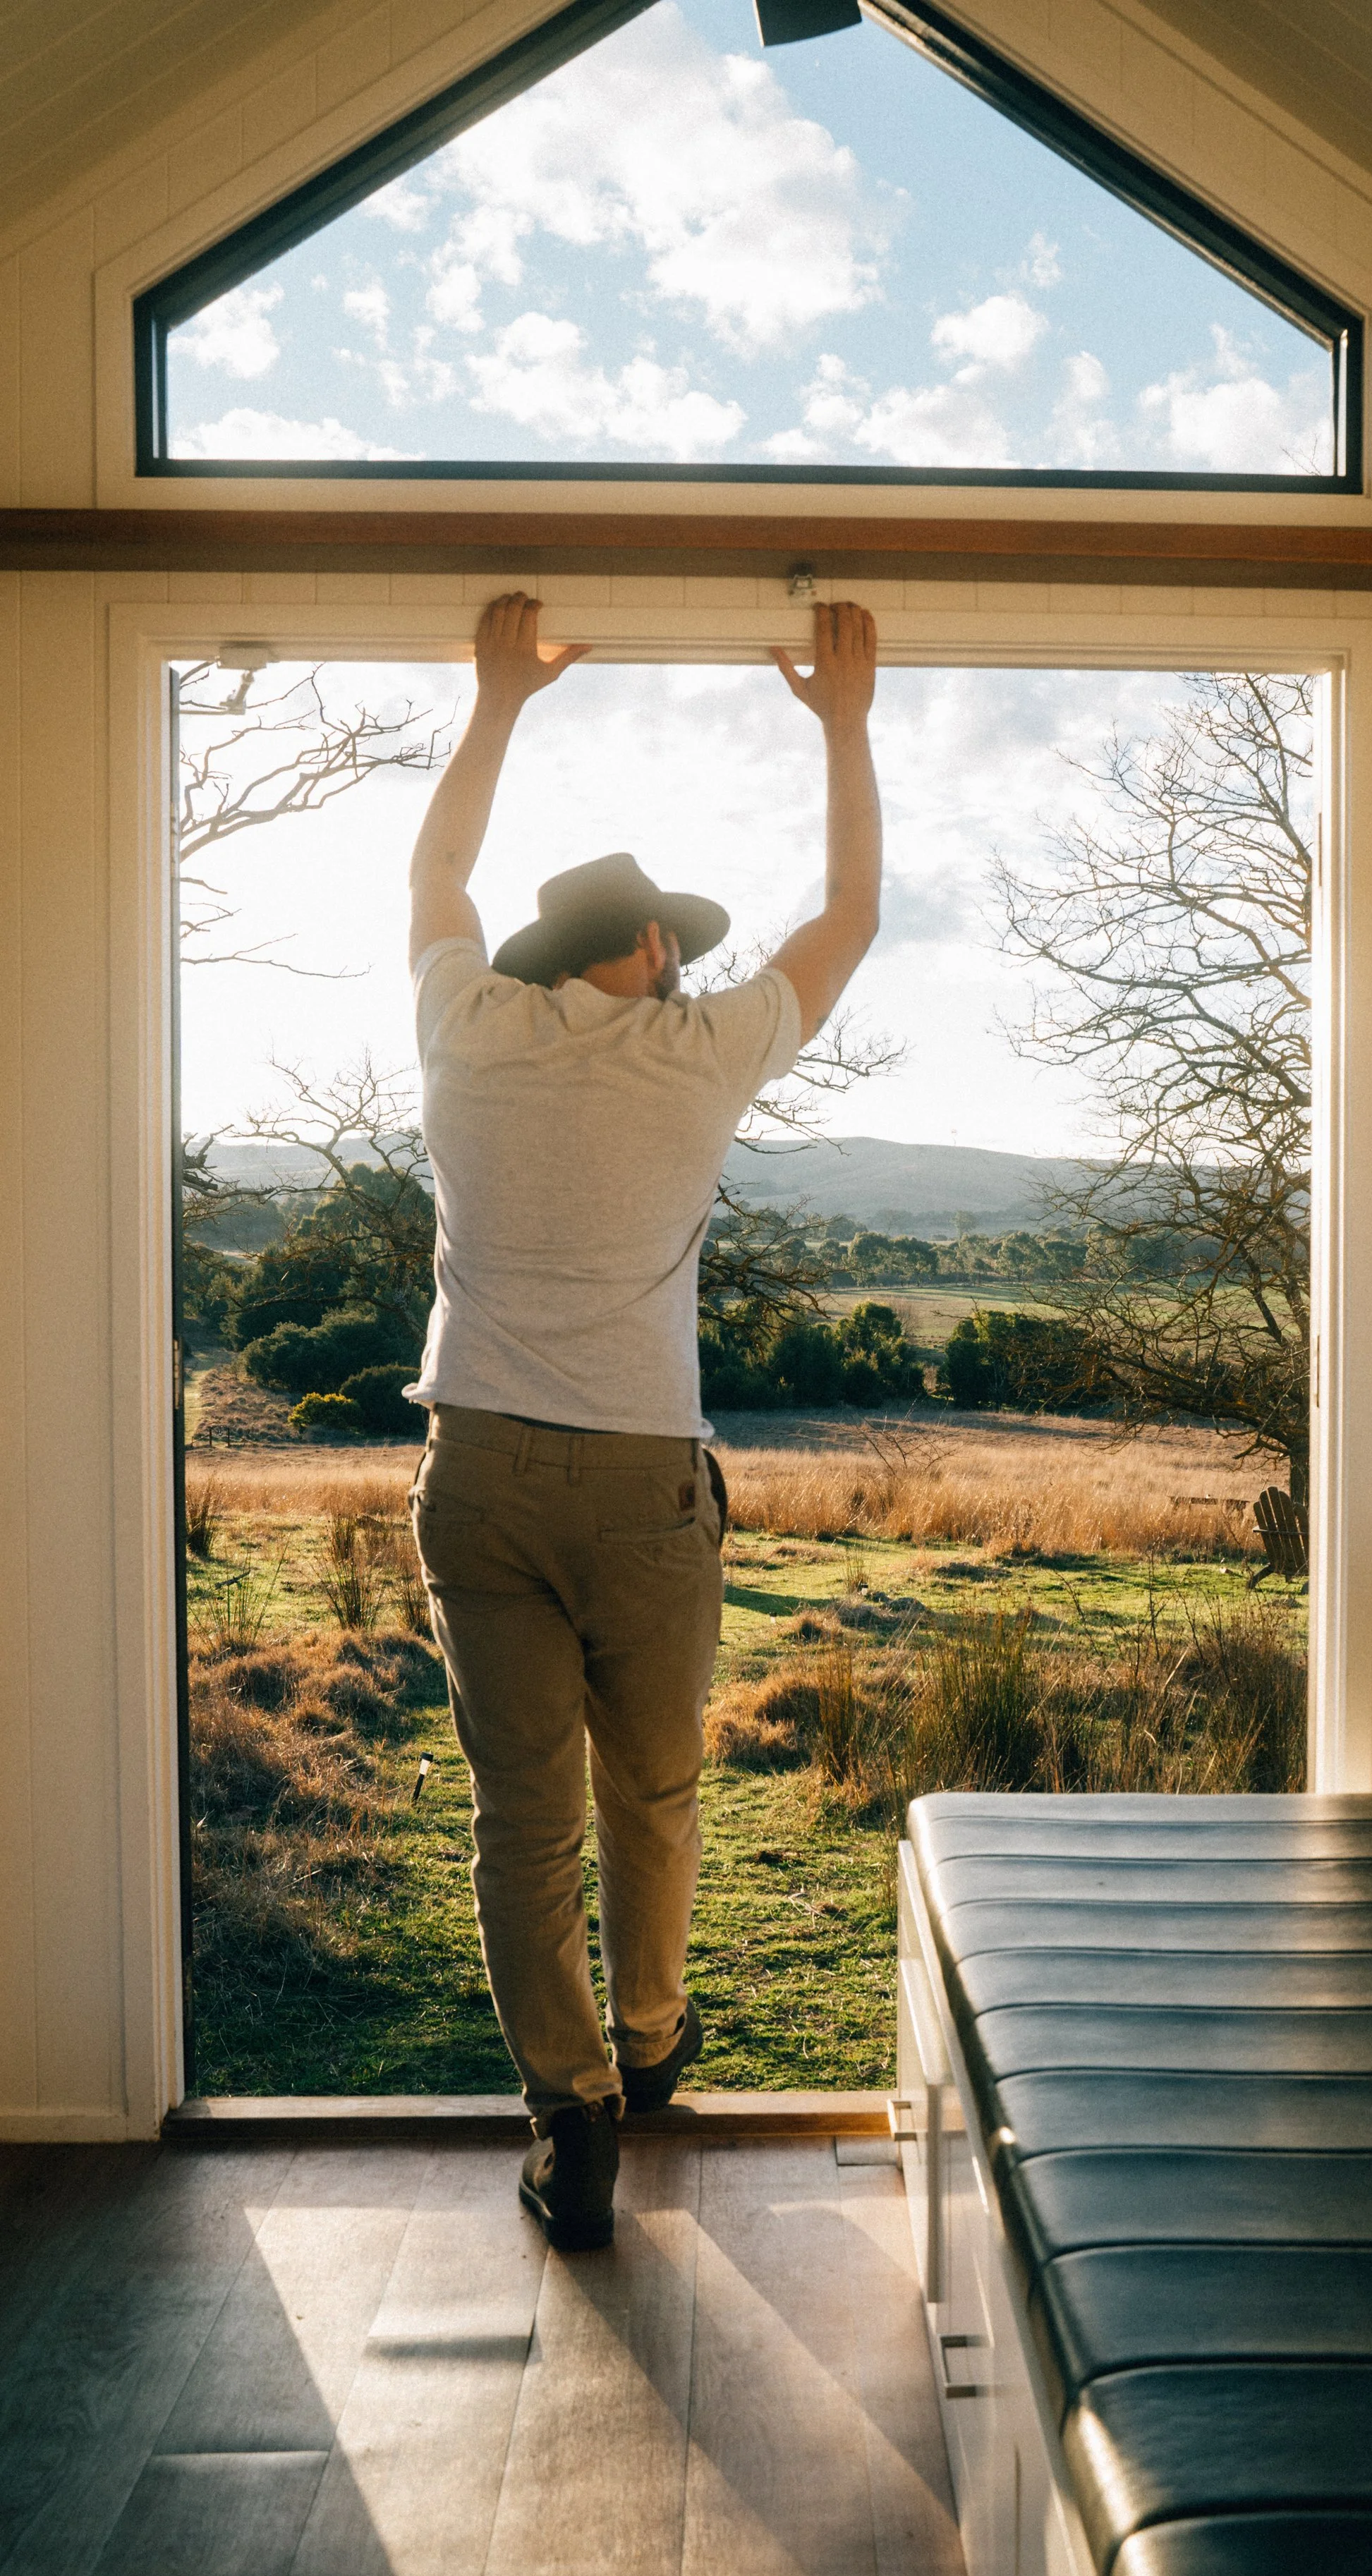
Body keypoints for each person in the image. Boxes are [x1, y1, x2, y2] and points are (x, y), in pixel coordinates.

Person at [404, 590, 882, 2248]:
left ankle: (568, 2112)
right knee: (654, 1793)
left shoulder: (466, 1030)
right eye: (667, 936)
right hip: (639, 1491)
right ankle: (655, 2039)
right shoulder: (697, 1053)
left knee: (519, 1817)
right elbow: (847, 916)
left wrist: (492, 706)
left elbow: (435, 883)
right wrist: (841, 722)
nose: (680, 951)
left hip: (473, 1468)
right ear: (651, 953)